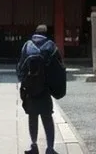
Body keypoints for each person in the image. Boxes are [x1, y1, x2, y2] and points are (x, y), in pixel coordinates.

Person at [17, 24, 65, 154]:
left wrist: (25, 83)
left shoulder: (27, 46)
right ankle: (50, 148)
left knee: (32, 117)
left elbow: (20, 68)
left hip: (31, 90)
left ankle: (34, 145)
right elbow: (58, 69)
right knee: (47, 118)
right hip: (45, 90)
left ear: (35, 33)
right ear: (46, 33)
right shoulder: (51, 46)